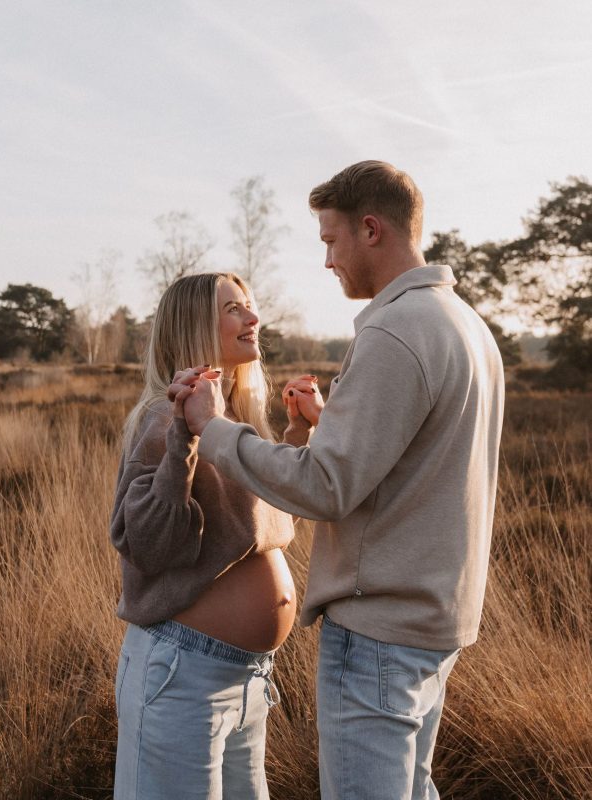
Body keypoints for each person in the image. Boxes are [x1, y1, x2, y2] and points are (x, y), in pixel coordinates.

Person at [172, 161, 505, 800]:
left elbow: (325, 488)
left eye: (330, 239)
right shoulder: (467, 327)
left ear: (370, 229)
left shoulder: (395, 328)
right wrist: (332, 428)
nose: (327, 260)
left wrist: (213, 430)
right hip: (436, 625)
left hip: (380, 635)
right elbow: (417, 463)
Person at [109, 272, 319, 799]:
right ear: (195, 328)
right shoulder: (164, 419)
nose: (253, 319)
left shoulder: (237, 425)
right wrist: (184, 437)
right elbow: (151, 545)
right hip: (181, 676)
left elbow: (269, 527)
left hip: (248, 680)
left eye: (250, 306)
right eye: (234, 310)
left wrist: (298, 438)